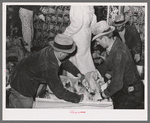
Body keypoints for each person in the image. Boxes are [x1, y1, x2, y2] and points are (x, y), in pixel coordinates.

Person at [8, 34, 91, 108]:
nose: (68, 56)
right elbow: (59, 92)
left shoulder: (52, 50)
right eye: (67, 54)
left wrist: (78, 73)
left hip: (28, 70)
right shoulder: (49, 66)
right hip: (21, 80)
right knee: (28, 106)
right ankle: (11, 99)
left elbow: (65, 62)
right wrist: (78, 98)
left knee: (39, 91)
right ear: (61, 53)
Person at [92, 21, 144, 109]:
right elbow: (115, 68)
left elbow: (117, 84)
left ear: (104, 39)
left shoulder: (118, 52)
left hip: (131, 94)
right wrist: (104, 78)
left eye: (98, 41)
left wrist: (102, 95)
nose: (97, 44)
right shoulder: (115, 45)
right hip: (126, 90)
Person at [63, 5, 97, 75]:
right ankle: (91, 78)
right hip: (86, 34)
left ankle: (78, 81)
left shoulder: (77, 5)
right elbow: (94, 20)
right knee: (86, 59)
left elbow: (77, 24)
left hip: (78, 35)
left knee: (77, 60)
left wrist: (65, 34)